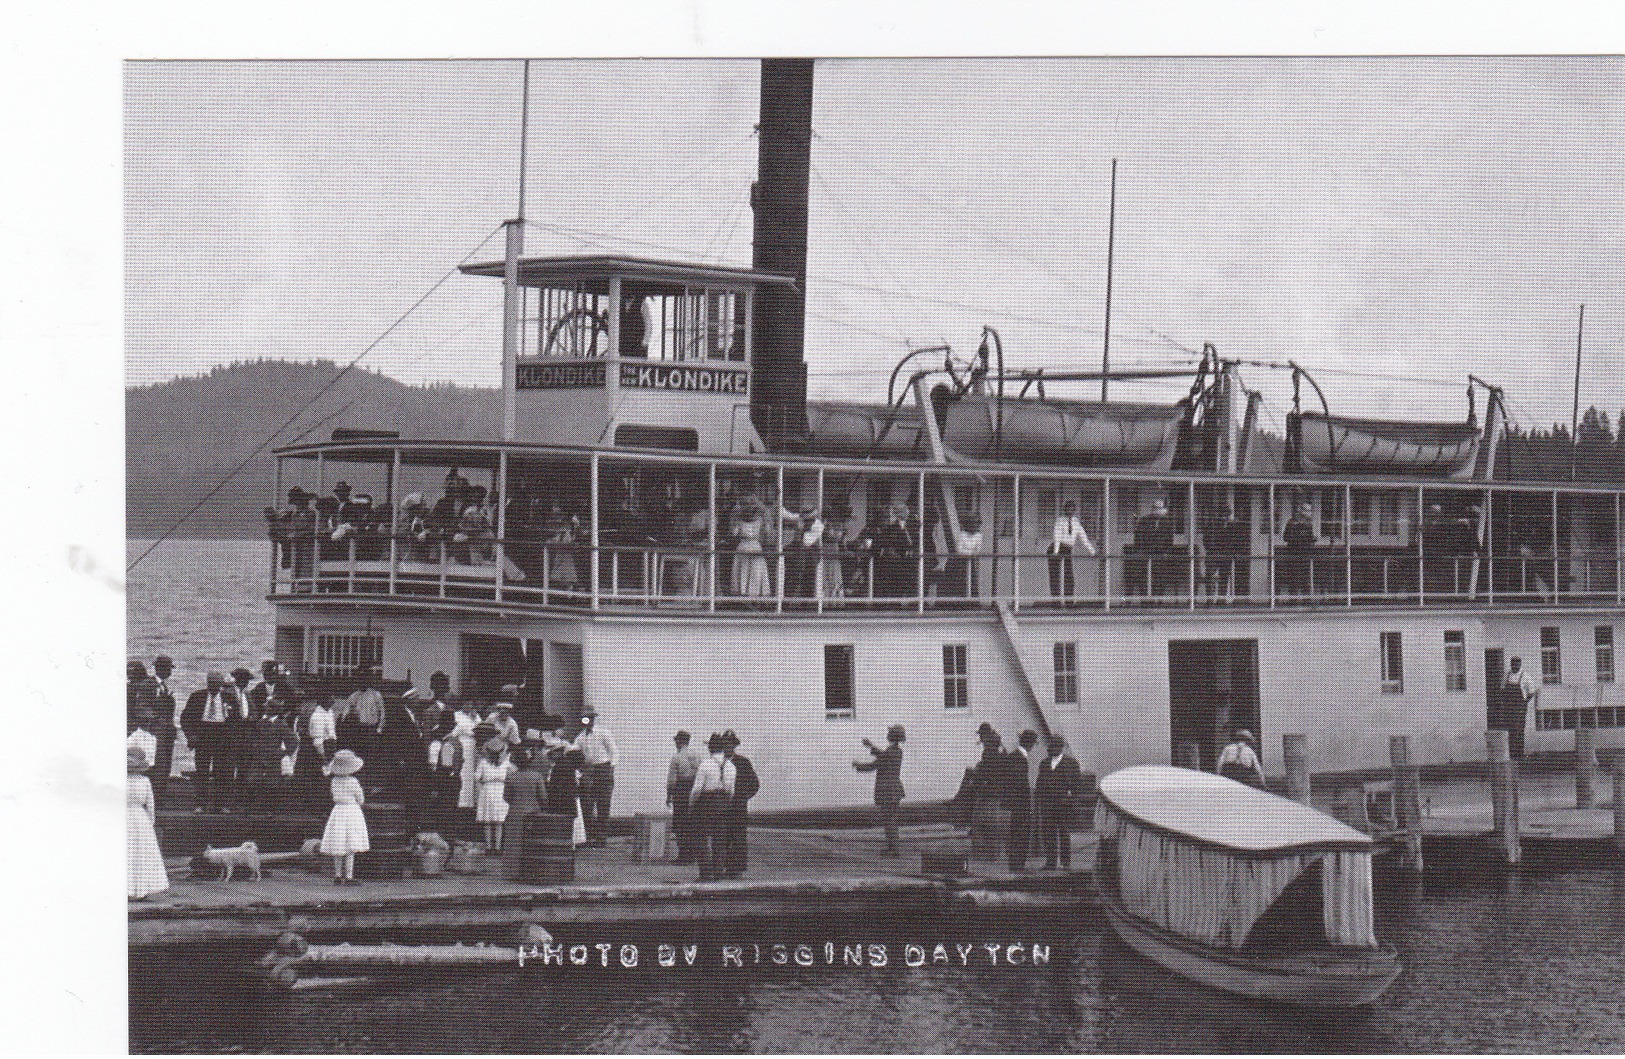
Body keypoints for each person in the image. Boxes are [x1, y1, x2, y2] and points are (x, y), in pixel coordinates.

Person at [180, 672, 240, 813]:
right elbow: (185, 718)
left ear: (221, 685)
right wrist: (191, 736)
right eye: (211, 683)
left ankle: (220, 804)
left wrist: (231, 739)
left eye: (216, 684)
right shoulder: (197, 696)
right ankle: (201, 803)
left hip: (222, 737)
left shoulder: (229, 698)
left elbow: (236, 721)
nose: (213, 686)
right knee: (202, 771)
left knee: (221, 771)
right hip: (203, 736)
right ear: (207, 683)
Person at [689, 733, 737, 882]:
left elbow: (697, 789)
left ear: (710, 748)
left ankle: (705, 873)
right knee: (720, 839)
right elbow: (730, 791)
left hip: (705, 803)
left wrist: (691, 805)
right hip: (723, 804)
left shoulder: (705, 764)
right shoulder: (731, 766)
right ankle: (718, 871)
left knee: (701, 838)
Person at [853, 725, 905, 855]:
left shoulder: (891, 752)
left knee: (889, 820)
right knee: (890, 819)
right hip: (894, 791)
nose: (887, 734)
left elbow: (875, 764)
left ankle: (894, 849)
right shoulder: (896, 751)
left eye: (889, 733)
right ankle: (892, 848)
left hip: (888, 792)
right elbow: (883, 757)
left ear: (892, 736)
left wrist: (858, 764)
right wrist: (871, 747)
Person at [320, 749, 370, 885]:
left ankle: (337, 875)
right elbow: (361, 799)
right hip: (351, 811)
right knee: (350, 845)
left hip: (338, 811)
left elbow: (333, 796)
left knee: (339, 844)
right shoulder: (353, 781)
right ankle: (348, 876)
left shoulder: (334, 781)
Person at [1034, 735, 1084, 870]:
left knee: (1064, 833)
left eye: (1055, 746)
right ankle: (1051, 862)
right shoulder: (1044, 763)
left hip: (1064, 805)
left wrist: (1073, 801)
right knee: (1048, 834)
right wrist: (1040, 799)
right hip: (1047, 805)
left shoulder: (1072, 763)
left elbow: (1077, 785)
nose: (1052, 749)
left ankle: (1065, 862)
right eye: (1050, 746)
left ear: (1061, 747)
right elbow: (1039, 783)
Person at [128, 746, 169, 900]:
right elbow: (150, 804)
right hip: (140, 818)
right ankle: (141, 888)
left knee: (128, 852)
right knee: (140, 853)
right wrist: (150, 822)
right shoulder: (145, 781)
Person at [573, 710, 618, 846]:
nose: (587, 721)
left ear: (593, 719)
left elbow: (614, 752)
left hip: (603, 768)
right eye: (585, 719)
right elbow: (574, 749)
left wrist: (610, 768)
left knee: (603, 804)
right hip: (588, 770)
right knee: (587, 803)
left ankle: (601, 837)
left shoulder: (603, 733)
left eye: (589, 718)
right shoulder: (581, 737)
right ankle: (590, 836)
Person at [720, 731, 759, 878]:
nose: (727, 747)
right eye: (724, 744)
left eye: (730, 744)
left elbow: (755, 783)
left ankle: (736, 870)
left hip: (738, 807)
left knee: (738, 837)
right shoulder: (719, 763)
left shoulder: (743, 762)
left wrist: (744, 797)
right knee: (723, 836)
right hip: (722, 807)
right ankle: (723, 868)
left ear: (734, 745)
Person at [666, 730, 706, 865]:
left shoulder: (676, 758)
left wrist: (669, 796)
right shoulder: (697, 756)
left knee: (680, 823)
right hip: (694, 789)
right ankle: (693, 854)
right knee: (692, 822)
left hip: (681, 790)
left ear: (678, 742)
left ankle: (683, 855)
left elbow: (671, 780)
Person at [295, 693, 338, 810]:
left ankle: (324, 804)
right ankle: (317, 807)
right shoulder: (317, 716)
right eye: (331, 699)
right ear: (323, 701)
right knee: (320, 779)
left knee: (327, 778)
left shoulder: (329, 712)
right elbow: (318, 740)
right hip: (321, 750)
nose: (333, 701)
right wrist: (323, 757)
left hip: (330, 746)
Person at [1048, 502, 1096, 600]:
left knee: (1068, 575)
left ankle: (1069, 600)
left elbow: (1083, 537)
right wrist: (1056, 552)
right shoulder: (1060, 520)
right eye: (1068, 509)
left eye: (1072, 509)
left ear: (1074, 511)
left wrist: (1092, 551)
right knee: (1055, 576)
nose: (1070, 511)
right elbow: (1057, 536)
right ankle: (1056, 601)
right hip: (1056, 547)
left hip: (1067, 549)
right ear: (1065, 510)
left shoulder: (1075, 522)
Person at [1133, 496, 1178, 597]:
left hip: (1161, 553)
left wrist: (1166, 552)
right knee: (1144, 577)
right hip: (1146, 552)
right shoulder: (1144, 521)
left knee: (1160, 577)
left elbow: (1169, 539)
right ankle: (1145, 599)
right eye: (1156, 509)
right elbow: (1138, 536)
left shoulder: (1167, 523)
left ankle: (1159, 599)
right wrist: (1140, 550)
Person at [1007, 729, 1039, 871]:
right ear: (1029, 743)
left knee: (1017, 833)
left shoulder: (1015, 756)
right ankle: (1017, 864)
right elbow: (1019, 783)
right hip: (1020, 803)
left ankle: (1017, 863)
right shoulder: (1018, 758)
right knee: (1021, 833)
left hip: (1017, 803)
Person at [1206, 501, 1249, 601]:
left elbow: (1235, 539)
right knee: (1211, 577)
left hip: (1226, 554)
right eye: (1224, 513)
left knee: (1224, 577)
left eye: (1227, 514)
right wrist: (1210, 548)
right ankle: (1210, 599)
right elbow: (1207, 538)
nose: (1225, 516)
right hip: (1214, 553)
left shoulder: (1232, 526)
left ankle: (1221, 599)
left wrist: (1233, 551)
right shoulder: (1213, 525)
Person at [149, 656, 179, 796]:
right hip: (156, 732)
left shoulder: (162, 686)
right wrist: (158, 721)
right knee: (158, 765)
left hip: (166, 732)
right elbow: (144, 708)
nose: (170, 671)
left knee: (165, 765)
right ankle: (155, 797)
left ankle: (159, 795)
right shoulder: (149, 685)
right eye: (168, 668)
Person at [475, 737, 511, 853]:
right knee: (499, 821)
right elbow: (512, 774)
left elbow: (476, 777)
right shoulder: (506, 763)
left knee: (488, 821)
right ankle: (498, 847)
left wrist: (481, 785)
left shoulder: (484, 762)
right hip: (501, 790)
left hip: (488, 790)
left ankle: (489, 847)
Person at [731, 499, 773, 598]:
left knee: (755, 570)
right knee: (749, 569)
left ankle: (749, 592)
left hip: (749, 545)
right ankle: (746, 592)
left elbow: (734, 533)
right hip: (749, 546)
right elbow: (767, 532)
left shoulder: (756, 521)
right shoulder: (758, 521)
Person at [1280, 501, 1318, 598]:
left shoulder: (1308, 523)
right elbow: (1286, 537)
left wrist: (1312, 539)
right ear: (1301, 511)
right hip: (1294, 553)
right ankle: (1294, 599)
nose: (1309, 513)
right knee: (1294, 577)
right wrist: (1302, 538)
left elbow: (1310, 537)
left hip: (1305, 553)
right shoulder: (1292, 522)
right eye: (1307, 510)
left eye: (1310, 510)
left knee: (1306, 578)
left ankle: (1306, 599)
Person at [944, 514, 985, 602]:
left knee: (971, 580)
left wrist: (970, 553)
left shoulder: (979, 536)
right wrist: (970, 553)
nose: (976, 527)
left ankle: (972, 602)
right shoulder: (962, 535)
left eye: (977, 524)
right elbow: (959, 550)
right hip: (958, 563)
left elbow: (977, 550)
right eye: (973, 524)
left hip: (970, 561)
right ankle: (958, 603)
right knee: (960, 582)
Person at [1503, 657, 1538, 759]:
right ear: (1511, 664)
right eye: (1513, 664)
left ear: (1520, 664)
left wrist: (1524, 702)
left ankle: (1519, 754)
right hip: (1509, 706)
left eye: (1517, 664)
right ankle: (1512, 754)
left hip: (1520, 707)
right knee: (1511, 730)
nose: (1515, 666)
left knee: (1519, 729)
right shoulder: (1507, 675)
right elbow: (1503, 689)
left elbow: (1532, 692)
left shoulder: (1525, 676)